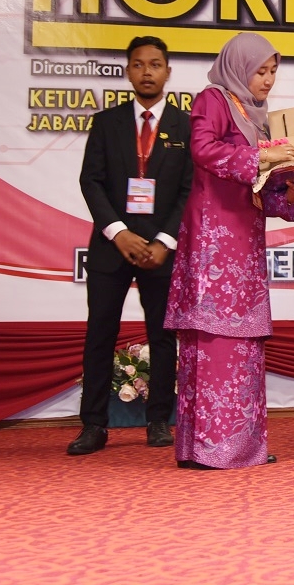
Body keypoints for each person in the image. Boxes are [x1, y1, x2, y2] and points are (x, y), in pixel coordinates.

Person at [163, 33, 294, 470]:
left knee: (244, 344)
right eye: (260, 71)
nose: (267, 80)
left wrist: (291, 192)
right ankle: (208, 450)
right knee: (214, 340)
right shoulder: (213, 99)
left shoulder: (256, 116)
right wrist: (264, 155)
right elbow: (203, 149)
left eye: (273, 71)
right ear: (238, 67)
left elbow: (259, 191)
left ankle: (238, 448)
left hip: (244, 239)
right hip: (213, 240)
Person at [68, 36, 192, 456]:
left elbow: (190, 189)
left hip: (161, 249)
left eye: (155, 64)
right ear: (128, 71)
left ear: (167, 71)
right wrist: (118, 232)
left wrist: (165, 241)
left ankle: (158, 420)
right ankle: (93, 425)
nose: (147, 72)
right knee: (100, 333)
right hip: (112, 248)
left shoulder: (185, 126)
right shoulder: (107, 123)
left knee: (163, 335)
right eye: (138, 64)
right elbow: (91, 181)